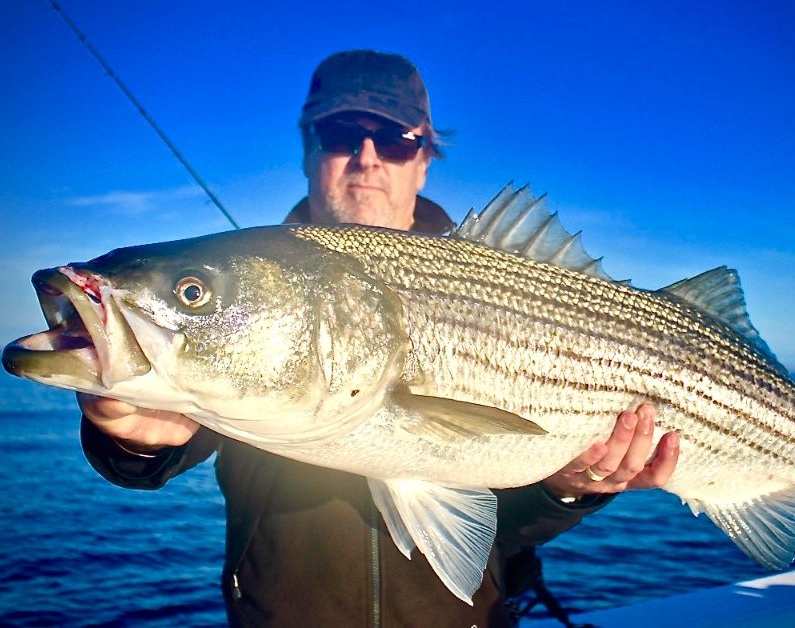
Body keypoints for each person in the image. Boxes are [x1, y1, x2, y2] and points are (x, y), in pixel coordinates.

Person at [78, 50, 681, 627]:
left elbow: (508, 524)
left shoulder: (504, 279)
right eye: (341, 134)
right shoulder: (257, 290)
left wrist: (569, 491)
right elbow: (162, 445)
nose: (367, 158)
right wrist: (129, 438)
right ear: (309, 150)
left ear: (423, 162)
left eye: (396, 140)